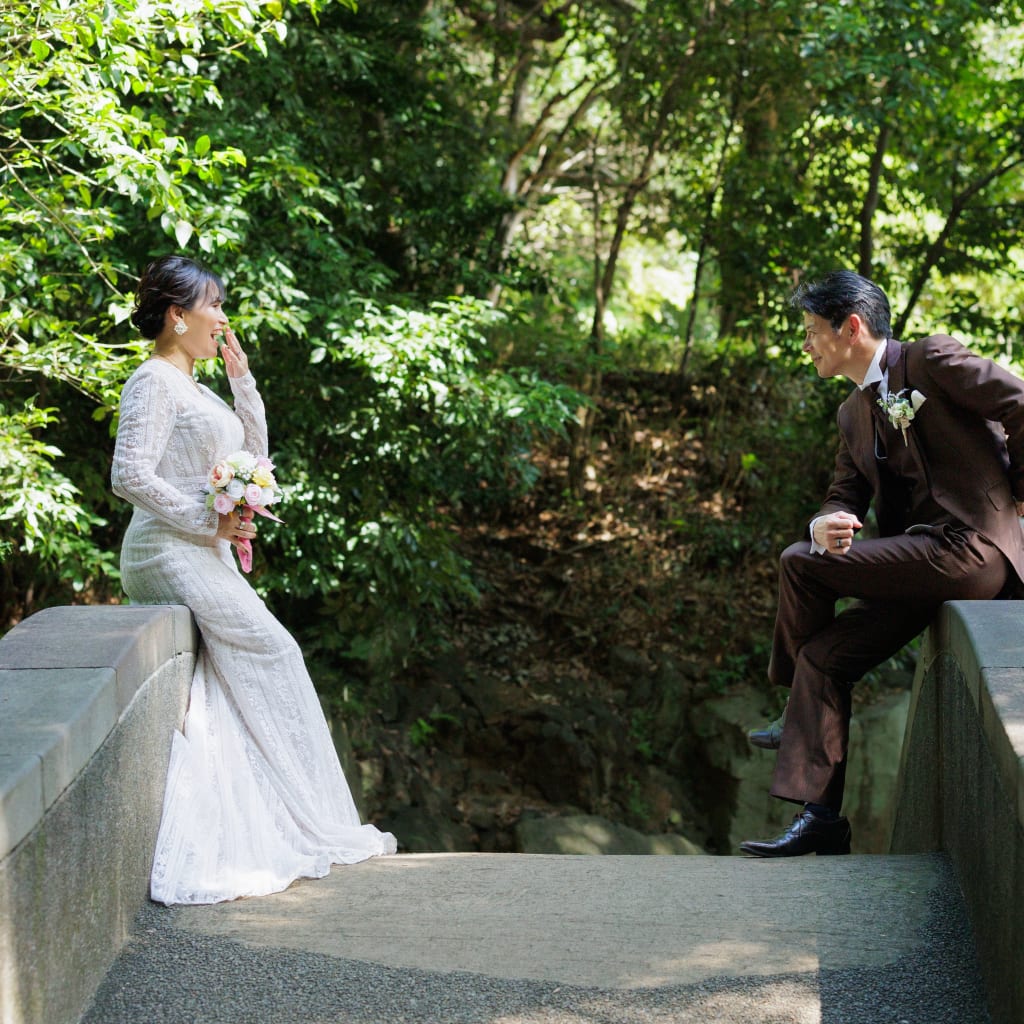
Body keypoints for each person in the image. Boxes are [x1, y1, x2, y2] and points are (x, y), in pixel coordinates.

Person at [111, 254, 397, 904]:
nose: (222, 317)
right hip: (164, 549)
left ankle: (275, 817)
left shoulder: (197, 385)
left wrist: (243, 384)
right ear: (177, 315)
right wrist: (203, 521)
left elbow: (253, 461)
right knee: (276, 648)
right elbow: (128, 474)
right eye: (212, 304)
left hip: (201, 549)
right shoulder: (153, 381)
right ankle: (309, 815)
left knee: (232, 676)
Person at [740, 270, 1024, 857]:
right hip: (919, 565)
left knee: (800, 563)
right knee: (823, 655)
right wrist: (828, 522)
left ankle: (792, 705)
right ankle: (822, 818)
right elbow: (844, 495)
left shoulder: (931, 361)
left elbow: (1019, 401)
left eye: (812, 331)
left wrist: (1019, 493)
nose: (806, 345)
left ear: (852, 327)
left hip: (973, 550)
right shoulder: (851, 413)